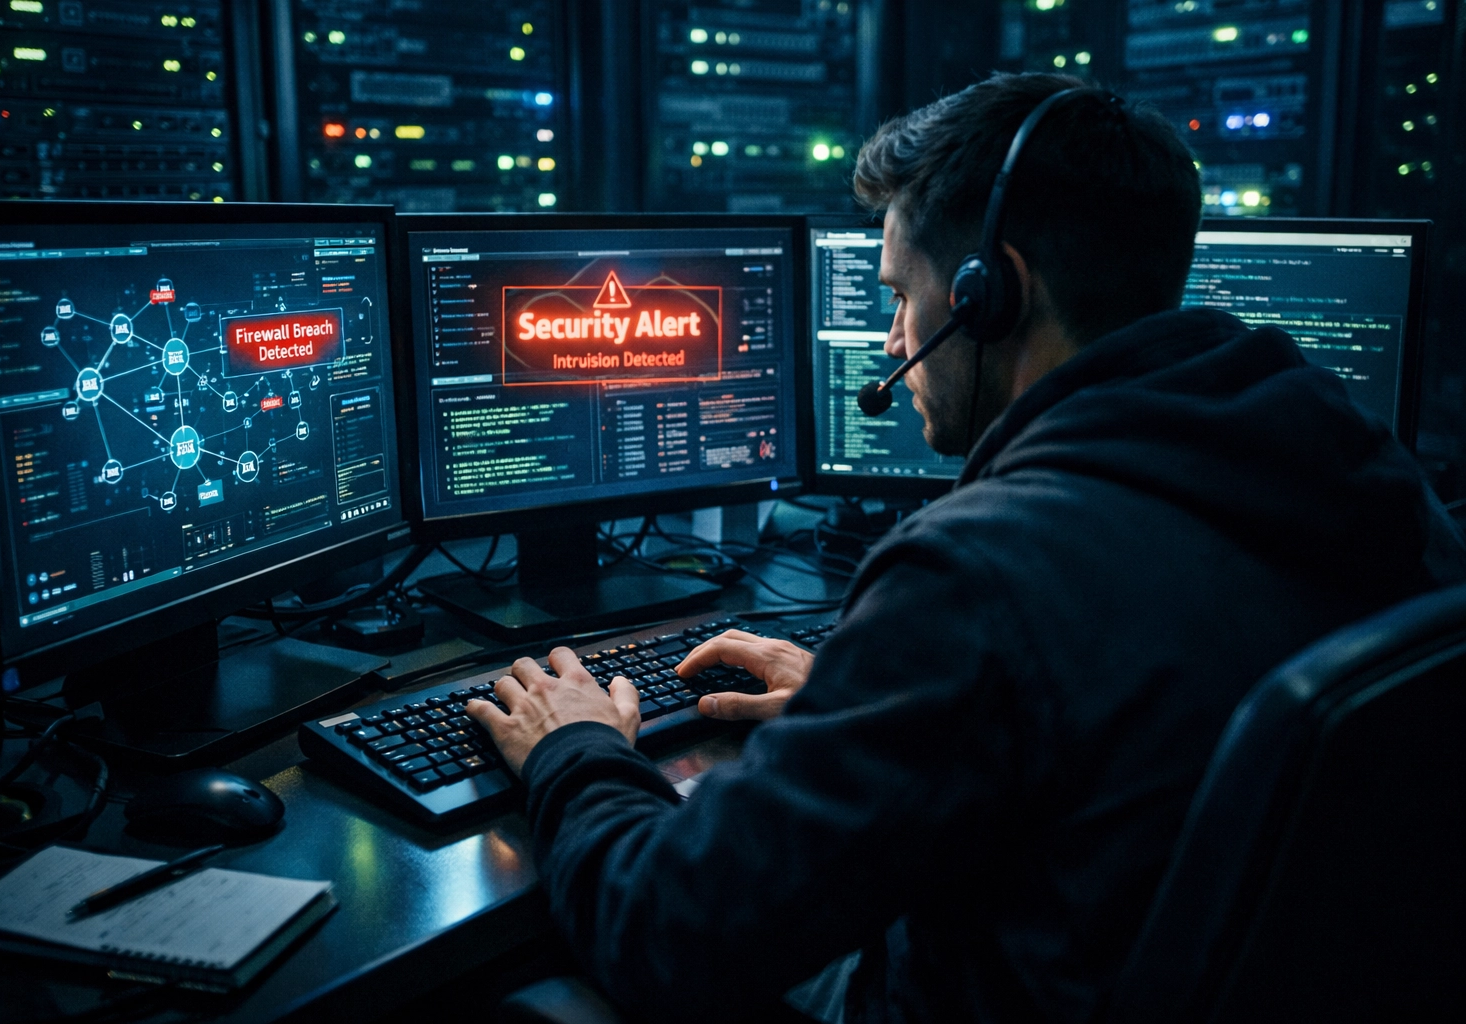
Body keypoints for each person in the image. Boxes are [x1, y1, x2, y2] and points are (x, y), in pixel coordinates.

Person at [466, 72, 1466, 1023]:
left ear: (993, 298)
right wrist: (867, 705)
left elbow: (666, 932)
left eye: (902, 296)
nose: (893, 340)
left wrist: (574, 748)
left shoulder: (978, 573)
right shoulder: (1369, 479)